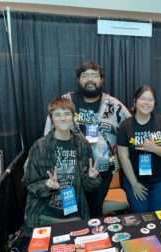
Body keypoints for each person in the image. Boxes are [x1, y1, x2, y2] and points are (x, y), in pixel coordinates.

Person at [44, 61, 130, 217]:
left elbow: (130, 131)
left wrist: (120, 156)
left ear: (101, 79)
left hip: (101, 171)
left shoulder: (114, 105)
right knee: (70, 214)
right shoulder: (65, 102)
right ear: (78, 79)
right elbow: (48, 134)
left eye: (94, 75)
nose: (90, 79)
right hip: (68, 172)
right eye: (85, 75)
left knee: (94, 212)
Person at [23, 97, 101, 231]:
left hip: (75, 213)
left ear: (73, 117)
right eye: (57, 115)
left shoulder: (82, 145)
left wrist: (92, 178)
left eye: (66, 114)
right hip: (44, 215)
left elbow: (89, 187)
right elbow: (29, 184)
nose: (63, 118)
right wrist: (47, 184)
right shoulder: (40, 147)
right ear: (51, 119)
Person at [117, 85, 161, 212]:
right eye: (143, 98)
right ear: (135, 101)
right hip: (135, 181)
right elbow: (123, 157)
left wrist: (153, 148)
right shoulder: (125, 126)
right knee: (141, 218)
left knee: (158, 216)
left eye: (150, 99)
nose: (146, 103)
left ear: (154, 103)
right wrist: (134, 183)